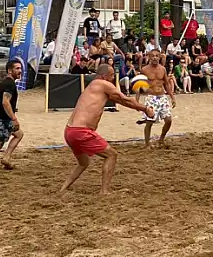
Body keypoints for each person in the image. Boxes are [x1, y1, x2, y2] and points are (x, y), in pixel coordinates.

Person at [61, 63, 154, 194]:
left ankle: (63, 189)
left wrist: (139, 108)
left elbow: (122, 102)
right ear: (104, 76)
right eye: (111, 76)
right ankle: (104, 191)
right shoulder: (103, 84)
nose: (113, 79)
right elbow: (125, 99)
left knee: (83, 163)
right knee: (111, 155)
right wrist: (145, 109)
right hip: (81, 131)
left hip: (69, 131)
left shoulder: (93, 86)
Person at [138, 50, 176, 148]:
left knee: (168, 120)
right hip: (151, 97)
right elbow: (139, 85)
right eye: (153, 56)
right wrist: (136, 101)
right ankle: (147, 143)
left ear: (160, 57)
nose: (155, 58)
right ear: (149, 57)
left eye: (157, 56)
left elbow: (166, 84)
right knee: (149, 121)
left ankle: (161, 139)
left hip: (162, 96)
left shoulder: (163, 69)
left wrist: (172, 97)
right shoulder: (145, 69)